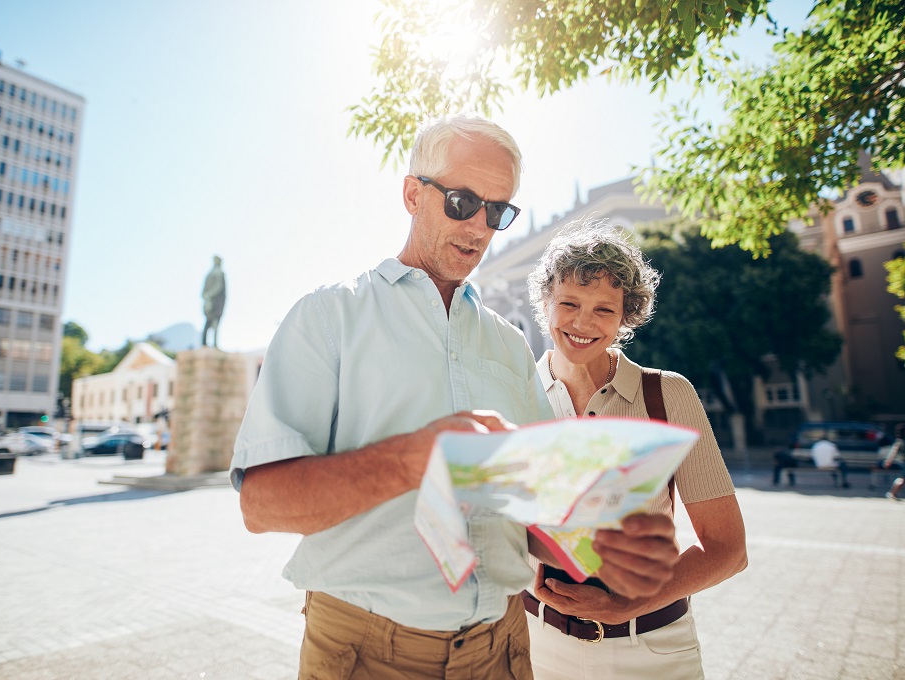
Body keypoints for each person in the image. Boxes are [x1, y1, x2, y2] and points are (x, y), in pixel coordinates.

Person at [230, 115, 680, 679]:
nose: (479, 229)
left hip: (504, 647)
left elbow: (537, 510)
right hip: (366, 651)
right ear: (412, 193)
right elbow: (262, 505)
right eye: (463, 202)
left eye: (498, 211)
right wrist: (414, 458)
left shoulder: (510, 342)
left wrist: (596, 537)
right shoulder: (328, 317)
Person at [523, 221, 748, 680]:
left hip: (652, 651)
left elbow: (728, 549)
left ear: (626, 316)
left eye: (604, 309)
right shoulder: (515, 394)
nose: (583, 323)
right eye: (569, 303)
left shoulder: (667, 395)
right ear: (545, 304)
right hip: (537, 647)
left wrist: (628, 603)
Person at [201, 255, 226, 348]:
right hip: (216, 302)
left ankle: (204, 343)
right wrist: (210, 296)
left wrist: (207, 296)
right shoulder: (219, 273)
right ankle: (214, 344)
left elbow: (203, 291)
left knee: (208, 323)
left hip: (209, 300)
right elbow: (219, 287)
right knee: (214, 322)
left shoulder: (209, 274)